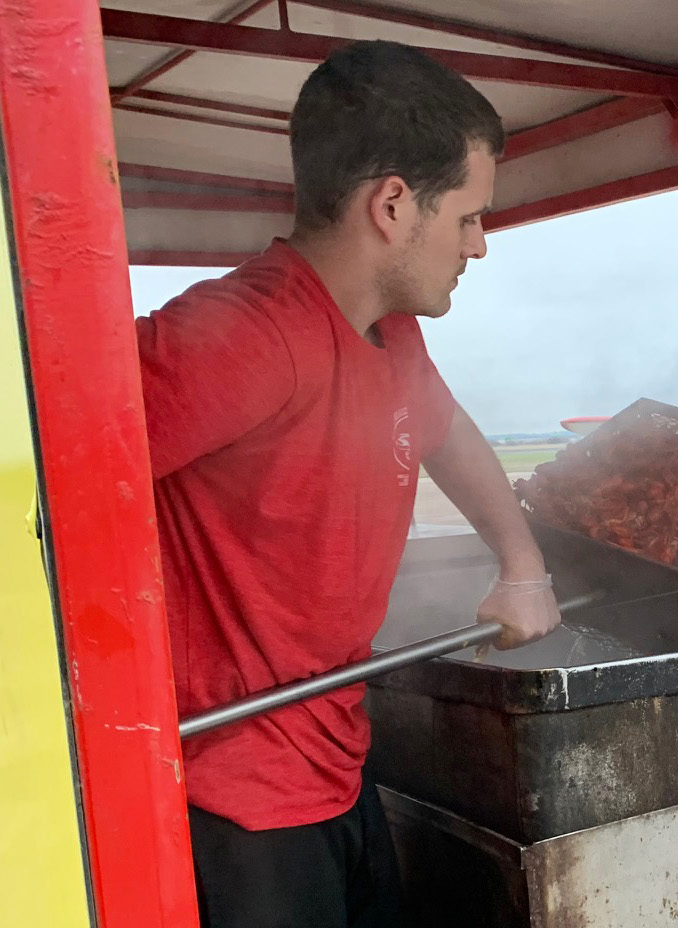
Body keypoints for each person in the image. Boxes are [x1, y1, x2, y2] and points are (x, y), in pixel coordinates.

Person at [136, 40, 558, 927]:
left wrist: (523, 565)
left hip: (334, 758)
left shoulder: (391, 336)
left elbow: (453, 435)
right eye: (471, 218)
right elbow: (49, 481)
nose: (479, 246)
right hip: (236, 799)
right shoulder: (240, 338)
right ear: (394, 205)